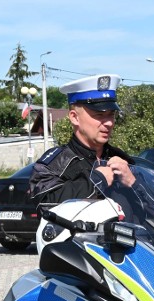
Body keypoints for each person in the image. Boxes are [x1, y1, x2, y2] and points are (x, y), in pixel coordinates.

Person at [30, 73, 136, 205]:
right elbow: (45, 203)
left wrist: (135, 184)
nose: (109, 123)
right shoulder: (55, 164)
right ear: (74, 117)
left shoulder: (123, 160)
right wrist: (97, 181)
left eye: (111, 115)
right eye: (99, 115)